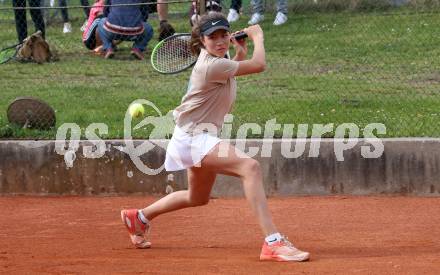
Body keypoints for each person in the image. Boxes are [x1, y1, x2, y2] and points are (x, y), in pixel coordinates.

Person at [120, 12, 310, 262]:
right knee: (250, 167)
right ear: (201, 41)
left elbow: (233, 72)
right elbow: (259, 65)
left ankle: (139, 217)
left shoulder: (218, 59)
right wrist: (258, 38)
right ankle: (273, 242)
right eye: (213, 37)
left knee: (197, 197)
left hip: (192, 136)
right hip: (194, 138)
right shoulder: (211, 65)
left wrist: (240, 50)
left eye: (223, 35)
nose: (220, 42)